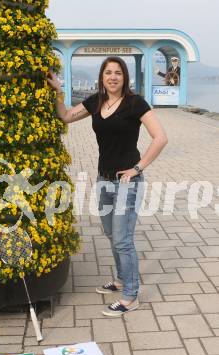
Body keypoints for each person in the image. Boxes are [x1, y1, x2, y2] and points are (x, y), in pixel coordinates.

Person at [47, 56, 168, 316]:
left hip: (128, 181)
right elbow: (66, 116)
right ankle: (122, 280)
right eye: (108, 72)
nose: (113, 77)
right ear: (102, 77)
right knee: (112, 234)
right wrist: (59, 92)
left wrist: (138, 168)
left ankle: (130, 297)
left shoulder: (136, 104)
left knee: (123, 240)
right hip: (104, 179)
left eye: (118, 73)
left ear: (125, 77)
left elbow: (160, 138)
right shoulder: (96, 102)